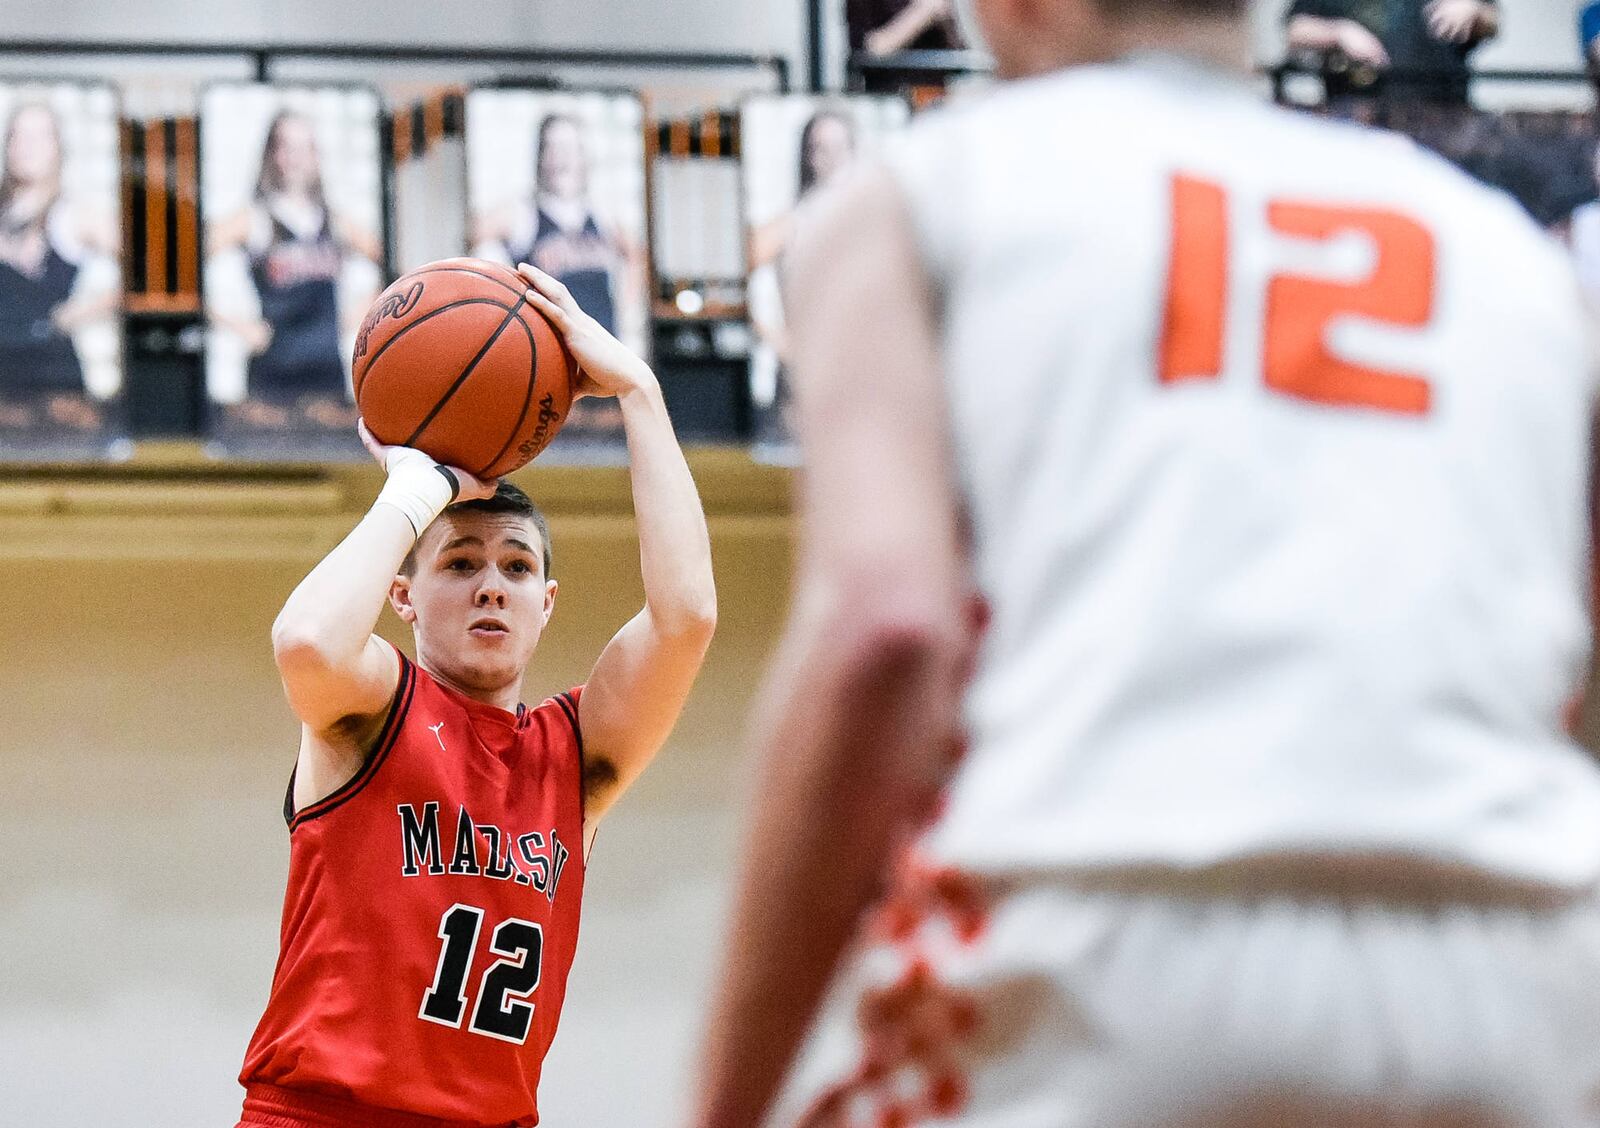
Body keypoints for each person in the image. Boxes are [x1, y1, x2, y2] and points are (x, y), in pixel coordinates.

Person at [687, 0, 1600, 1124]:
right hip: (1513, 971)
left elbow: (884, 631)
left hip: (1109, 933)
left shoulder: (921, 193)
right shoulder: (1506, 249)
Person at [235, 263, 716, 1128]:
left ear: (546, 602)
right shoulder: (375, 706)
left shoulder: (574, 757)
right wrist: (418, 490)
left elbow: (686, 619)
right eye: (460, 564)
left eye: (516, 567)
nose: (492, 586)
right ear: (404, 594)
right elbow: (305, 641)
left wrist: (640, 391)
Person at [208, 109, 382, 431]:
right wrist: (241, 326)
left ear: (317, 155)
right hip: (272, 378)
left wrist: (360, 314)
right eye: (287, 147)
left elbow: (393, 264)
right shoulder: (256, 218)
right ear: (272, 154)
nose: (297, 158)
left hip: (326, 375)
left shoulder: (334, 222)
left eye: (305, 147)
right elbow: (182, 267)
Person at [0, 100, 119, 436]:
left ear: (57, 147)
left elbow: (149, 268)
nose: (27, 148)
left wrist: (77, 314)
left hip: (52, 380)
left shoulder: (72, 216)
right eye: (18, 137)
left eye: (39, 137)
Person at [748, 108, 858, 443]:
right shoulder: (794, 222)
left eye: (840, 148)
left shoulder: (868, 222)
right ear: (807, 156)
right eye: (821, 149)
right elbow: (730, 279)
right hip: (804, 381)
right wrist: (780, 341)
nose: (831, 159)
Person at [1284, 0, 1499, 104]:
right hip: (1356, 116)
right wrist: (1339, 32)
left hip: (1441, 116)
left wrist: (1472, 8)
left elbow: (1492, 23)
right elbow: (1295, 30)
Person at [847, 0, 966, 92]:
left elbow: (963, 48)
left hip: (944, 92)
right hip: (891, 97)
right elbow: (869, 48)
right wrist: (924, 11)